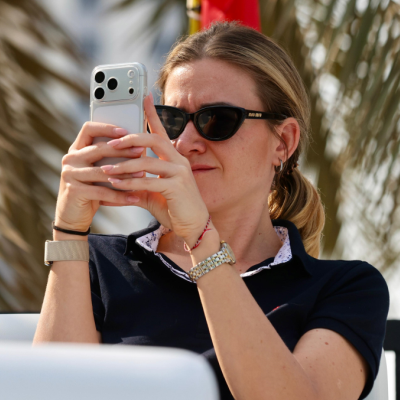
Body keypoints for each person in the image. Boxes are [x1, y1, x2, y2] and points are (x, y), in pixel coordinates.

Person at [34, 22, 389, 400]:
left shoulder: (345, 288)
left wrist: (201, 240)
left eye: (217, 120)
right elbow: (49, 393)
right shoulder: (100, 265)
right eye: (171, 121)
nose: (186, 142)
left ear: (282, 142)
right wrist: (68, 232)